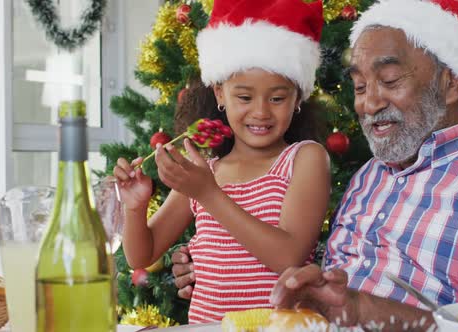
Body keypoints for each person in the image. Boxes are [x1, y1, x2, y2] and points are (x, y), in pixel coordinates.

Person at [173, 0, 458, 329]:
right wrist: (218, 263)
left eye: (389, 80)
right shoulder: (369, 177)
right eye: (360, 87)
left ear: (450, 83)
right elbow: (316, 275)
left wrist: (366, 311)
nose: (369, 103)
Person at [113, 0, 331, 324]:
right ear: (219, 94)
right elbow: (140, 255)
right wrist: (134, 206)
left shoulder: (305, 159)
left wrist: (209, 195)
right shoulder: (207, 170)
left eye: (277, 98)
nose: (260, 112)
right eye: (244, 97)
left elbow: (289, 257)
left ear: (297, 98)